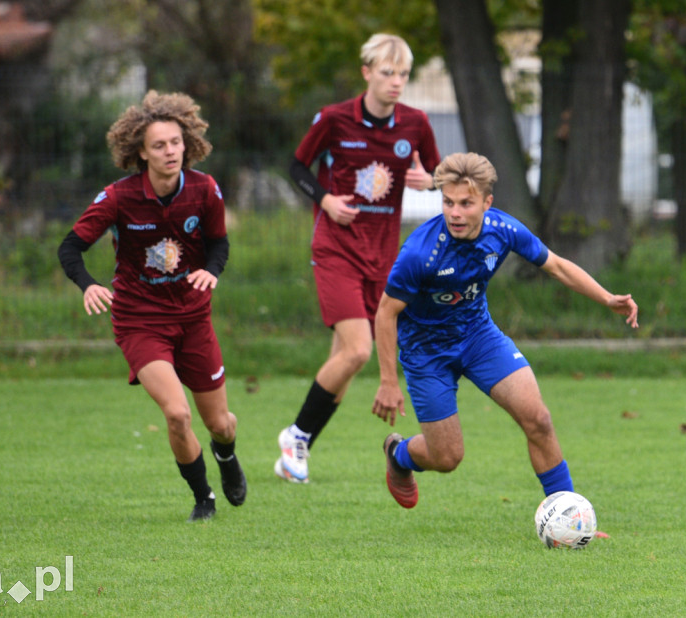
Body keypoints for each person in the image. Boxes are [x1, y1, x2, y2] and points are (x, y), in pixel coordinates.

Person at [371, 152, 639, 509]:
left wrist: (608, 299)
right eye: (448, 202)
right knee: (447, 457)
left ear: (487, 202)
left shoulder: (503, 230)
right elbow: (386, 313)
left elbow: (556, 266)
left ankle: (568, 516)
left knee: (539, 419)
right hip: (427, 353)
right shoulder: (420, 253)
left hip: (479, 337)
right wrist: (389, 381)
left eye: (466, 203)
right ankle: (399, 454)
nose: (455, 213)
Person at [57, 90, 245, 522]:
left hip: (194, 318)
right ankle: (204, 499)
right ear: (140, 152)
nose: (170, 151)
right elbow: (70, 248)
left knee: (220, 423)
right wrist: (87, 285)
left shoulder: (205, 189)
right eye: (159, 145)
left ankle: (226, 455)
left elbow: (218, 243)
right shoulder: (119, 198)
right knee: (178, 415)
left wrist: (212, 271)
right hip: (140, 321)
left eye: (176, 142)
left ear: (188, 143)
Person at [275, 33, 442, 483]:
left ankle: (296, 450)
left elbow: (435, 172)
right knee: (358, 350)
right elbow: (295, 167)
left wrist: (430, 181)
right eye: (387, 73)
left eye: (403, 74)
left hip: (383, 255)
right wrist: (326, 200)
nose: (396, 82)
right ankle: (295, 435)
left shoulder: (415, 124)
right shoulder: (334, 119)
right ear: (367, 72)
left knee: (345, 361)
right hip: (335, 249)